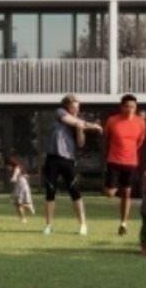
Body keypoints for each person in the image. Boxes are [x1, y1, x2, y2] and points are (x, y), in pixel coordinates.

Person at [43, 94, 103, 236]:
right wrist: (93, 125)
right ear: (66, 107)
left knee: (75, 191)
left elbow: (81, 143)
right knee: (50, 192)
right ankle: (49, 225)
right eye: (73, 107)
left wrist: (80, 129)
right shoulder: (60, 113)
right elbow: (73, 121)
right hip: (52, 158)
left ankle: (83, 225)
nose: (76, 110)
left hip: (68, 160)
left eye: (78, 108)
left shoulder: (78, 123)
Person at [102, 94, 146, 238]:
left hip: (130, 162)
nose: (130, 109)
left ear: (136, 108)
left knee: (127, 193)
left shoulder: (141, 123)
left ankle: (123, 223)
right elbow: (106, 139)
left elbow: (139, 142)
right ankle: (108, 186)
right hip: (114, 160)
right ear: (122, 107)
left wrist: (130, 152)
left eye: (133, 107)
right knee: (110, 194)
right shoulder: (112, 121)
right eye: (127, 106)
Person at [8, 156, 34, 222]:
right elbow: (26, 176)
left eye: (8, 165)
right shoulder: (15, 168)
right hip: (18, 186)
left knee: (19, 203)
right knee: (16, 204)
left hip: (21, 186)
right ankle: (23, 218)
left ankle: (29, 206)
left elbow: (15, 176)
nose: (7, 167)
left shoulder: (17, 168)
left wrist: (13, 178)